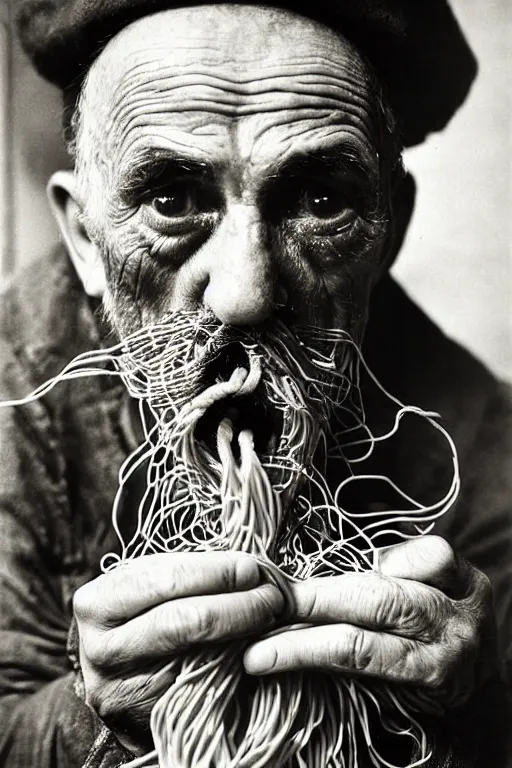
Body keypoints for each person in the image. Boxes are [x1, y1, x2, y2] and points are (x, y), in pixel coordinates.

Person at [1, 1, 511, 766]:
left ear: (388, 233)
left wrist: (478, 704)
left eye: (322, 203)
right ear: (84, 236)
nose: (243, 295)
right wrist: (87, 713)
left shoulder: (478, 446)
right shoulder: (15, 401)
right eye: (172, 200)